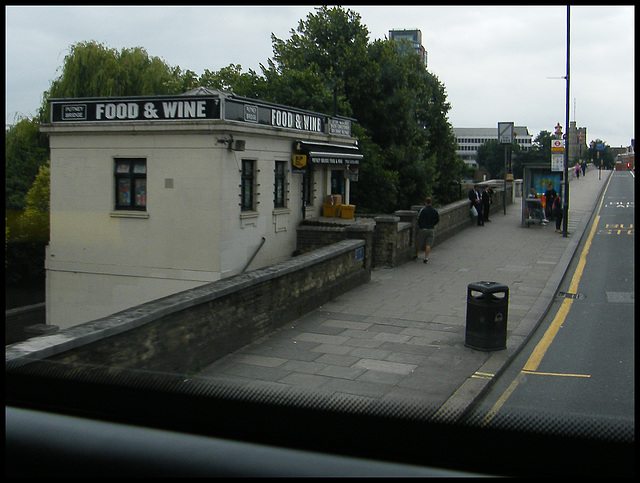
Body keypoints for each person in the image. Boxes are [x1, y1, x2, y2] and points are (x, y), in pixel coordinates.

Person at [415, 197, 440, 264]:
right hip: (430, 229)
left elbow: (419, 219)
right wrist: (433, 224)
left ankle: (416, 255)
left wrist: (420, 226)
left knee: (419, 242)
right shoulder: (434, 211)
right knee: (428, 244)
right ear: (431, 202)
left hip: (423, 229)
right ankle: (426, 258)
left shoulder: (423, 210)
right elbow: (437, 219)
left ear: (425, 202)